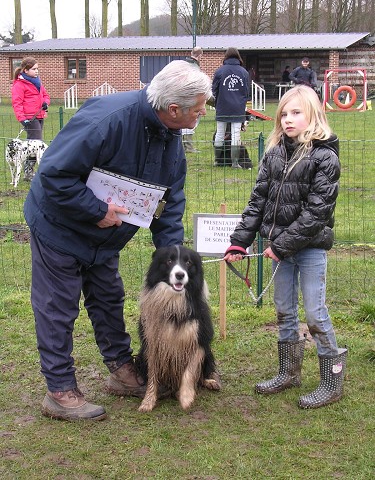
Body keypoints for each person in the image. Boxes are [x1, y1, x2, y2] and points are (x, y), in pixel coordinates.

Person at [23, 60, 212, 421]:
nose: (203, 113)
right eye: (200, 108)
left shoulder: (170, 140)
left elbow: (168, 204)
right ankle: (60, 390)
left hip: (105, 237)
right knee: (57, 307)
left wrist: (172, 258)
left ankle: (122, 371)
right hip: (59, 228)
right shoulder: (108, 120)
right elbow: (53, 175)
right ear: (174, 109)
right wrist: (96, 209)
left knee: (108, 297)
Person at [224, 85, 347, 409]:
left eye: (297, 113)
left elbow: (316, 213)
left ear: (313, 116)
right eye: (284, 114)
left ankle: (332, 381)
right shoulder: (274, 153)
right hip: (279, 249)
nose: (288, 119)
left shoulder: (325, 157)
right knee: (284, 310)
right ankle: (288, 373)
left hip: (309, 250)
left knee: (315, 314)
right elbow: (257, 201)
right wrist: (240, 242)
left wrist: (281, 246)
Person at [12, 57, 50, 181]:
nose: (36, 71)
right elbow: (17, 103)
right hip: (29, 117)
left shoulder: (37, 81)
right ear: (26, 70)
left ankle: (29, 171)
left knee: (35, 144)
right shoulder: (19, 84)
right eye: (34, 69)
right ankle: (28, 172)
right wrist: (22, 118)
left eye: (37, 68)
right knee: (36, 144)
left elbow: (45, 95)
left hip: (39, 114)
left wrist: (45, 103)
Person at [212, 47, 250, 169]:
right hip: (238, 108)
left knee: (219, 133)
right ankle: (235, 163)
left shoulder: (219, 71)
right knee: (236, 134)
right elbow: (247, 93)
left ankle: (218, 160)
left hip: (222, 107)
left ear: (226, 56)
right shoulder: (244, 72)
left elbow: (214, 90)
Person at [182, 47, 204, 153]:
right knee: (191, 121)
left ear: (191, 53)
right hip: (192, 99)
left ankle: (183, 146)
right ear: (200, 56)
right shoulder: (195, 68)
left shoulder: (184, 65)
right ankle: (189, 147)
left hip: (182, 97)